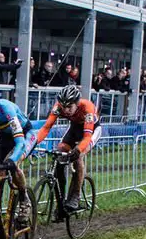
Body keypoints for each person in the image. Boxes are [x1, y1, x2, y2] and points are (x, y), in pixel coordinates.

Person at [35, 84, 102, 215]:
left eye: (69, 107)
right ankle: (60, 202)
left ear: (77, 104)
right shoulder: (58, 107)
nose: (65, 110)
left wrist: (77, 151)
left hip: (92, 130)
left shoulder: (87, 107)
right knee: (60, 151)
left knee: (78, 157)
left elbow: (87, 137)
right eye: (63, 106)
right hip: (74, 129)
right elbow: (46, 128)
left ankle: (75, 197)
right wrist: (32, 143)